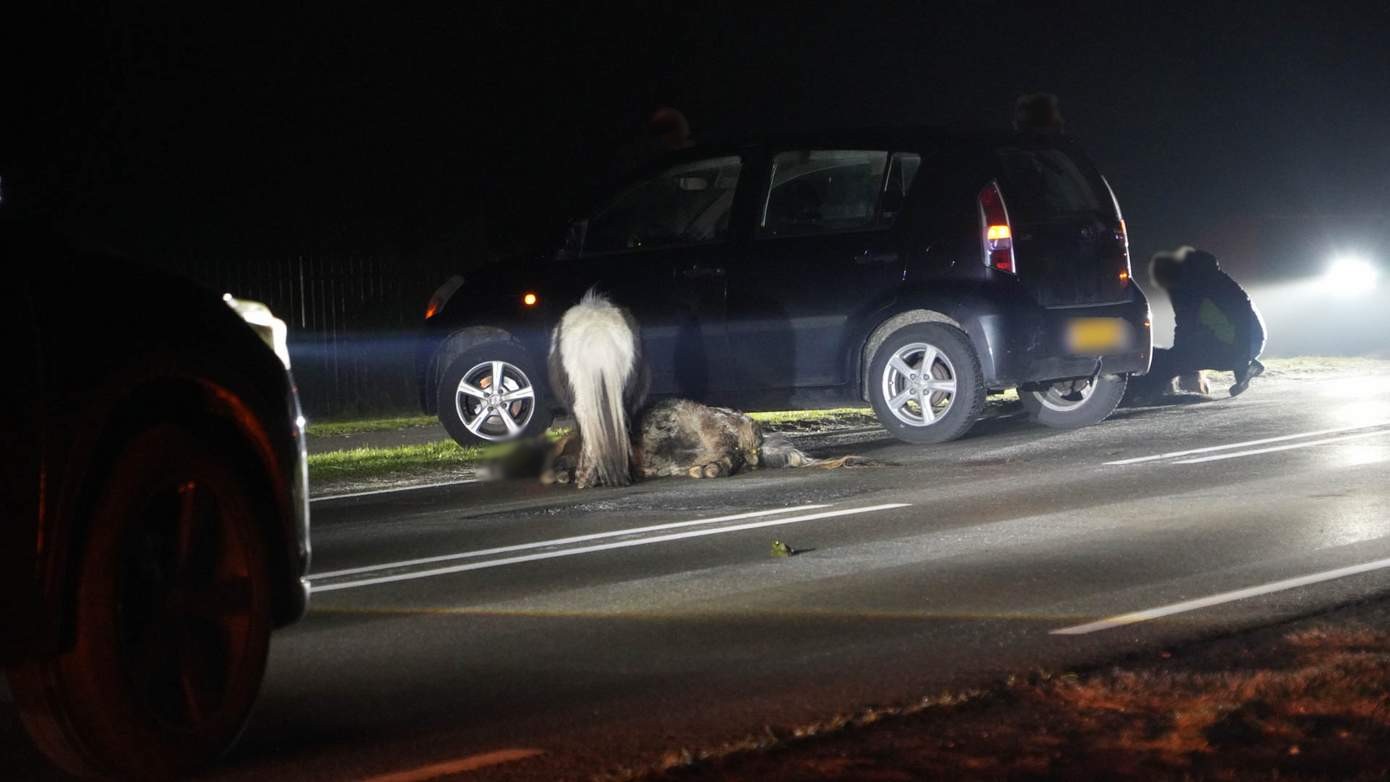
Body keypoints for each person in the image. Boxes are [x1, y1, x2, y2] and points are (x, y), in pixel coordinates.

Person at [1133, 246, 1267, 398]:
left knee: (1163, 359)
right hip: (1254, 341)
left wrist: (1177, 357)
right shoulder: (1219, 282)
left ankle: (1145, 394)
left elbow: (1184, 326)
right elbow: (1238, 319)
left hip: (1235, 348)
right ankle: (1242, 369)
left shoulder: (1188, 290)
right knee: (1194, 347)